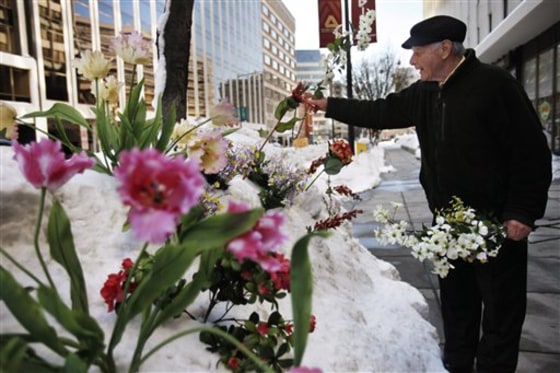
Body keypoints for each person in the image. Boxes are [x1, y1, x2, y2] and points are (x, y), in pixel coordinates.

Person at [307, 15, 552, 373]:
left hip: (496, 226)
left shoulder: (495, 84)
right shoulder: (424, 92)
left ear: (445, 49)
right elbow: (381, 110)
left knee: (500, 316)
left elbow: (531, 152)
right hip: (447, 227)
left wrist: (521, 212)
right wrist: (329, 104)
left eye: (417, 52)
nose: (411, 61)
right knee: (457, 312)